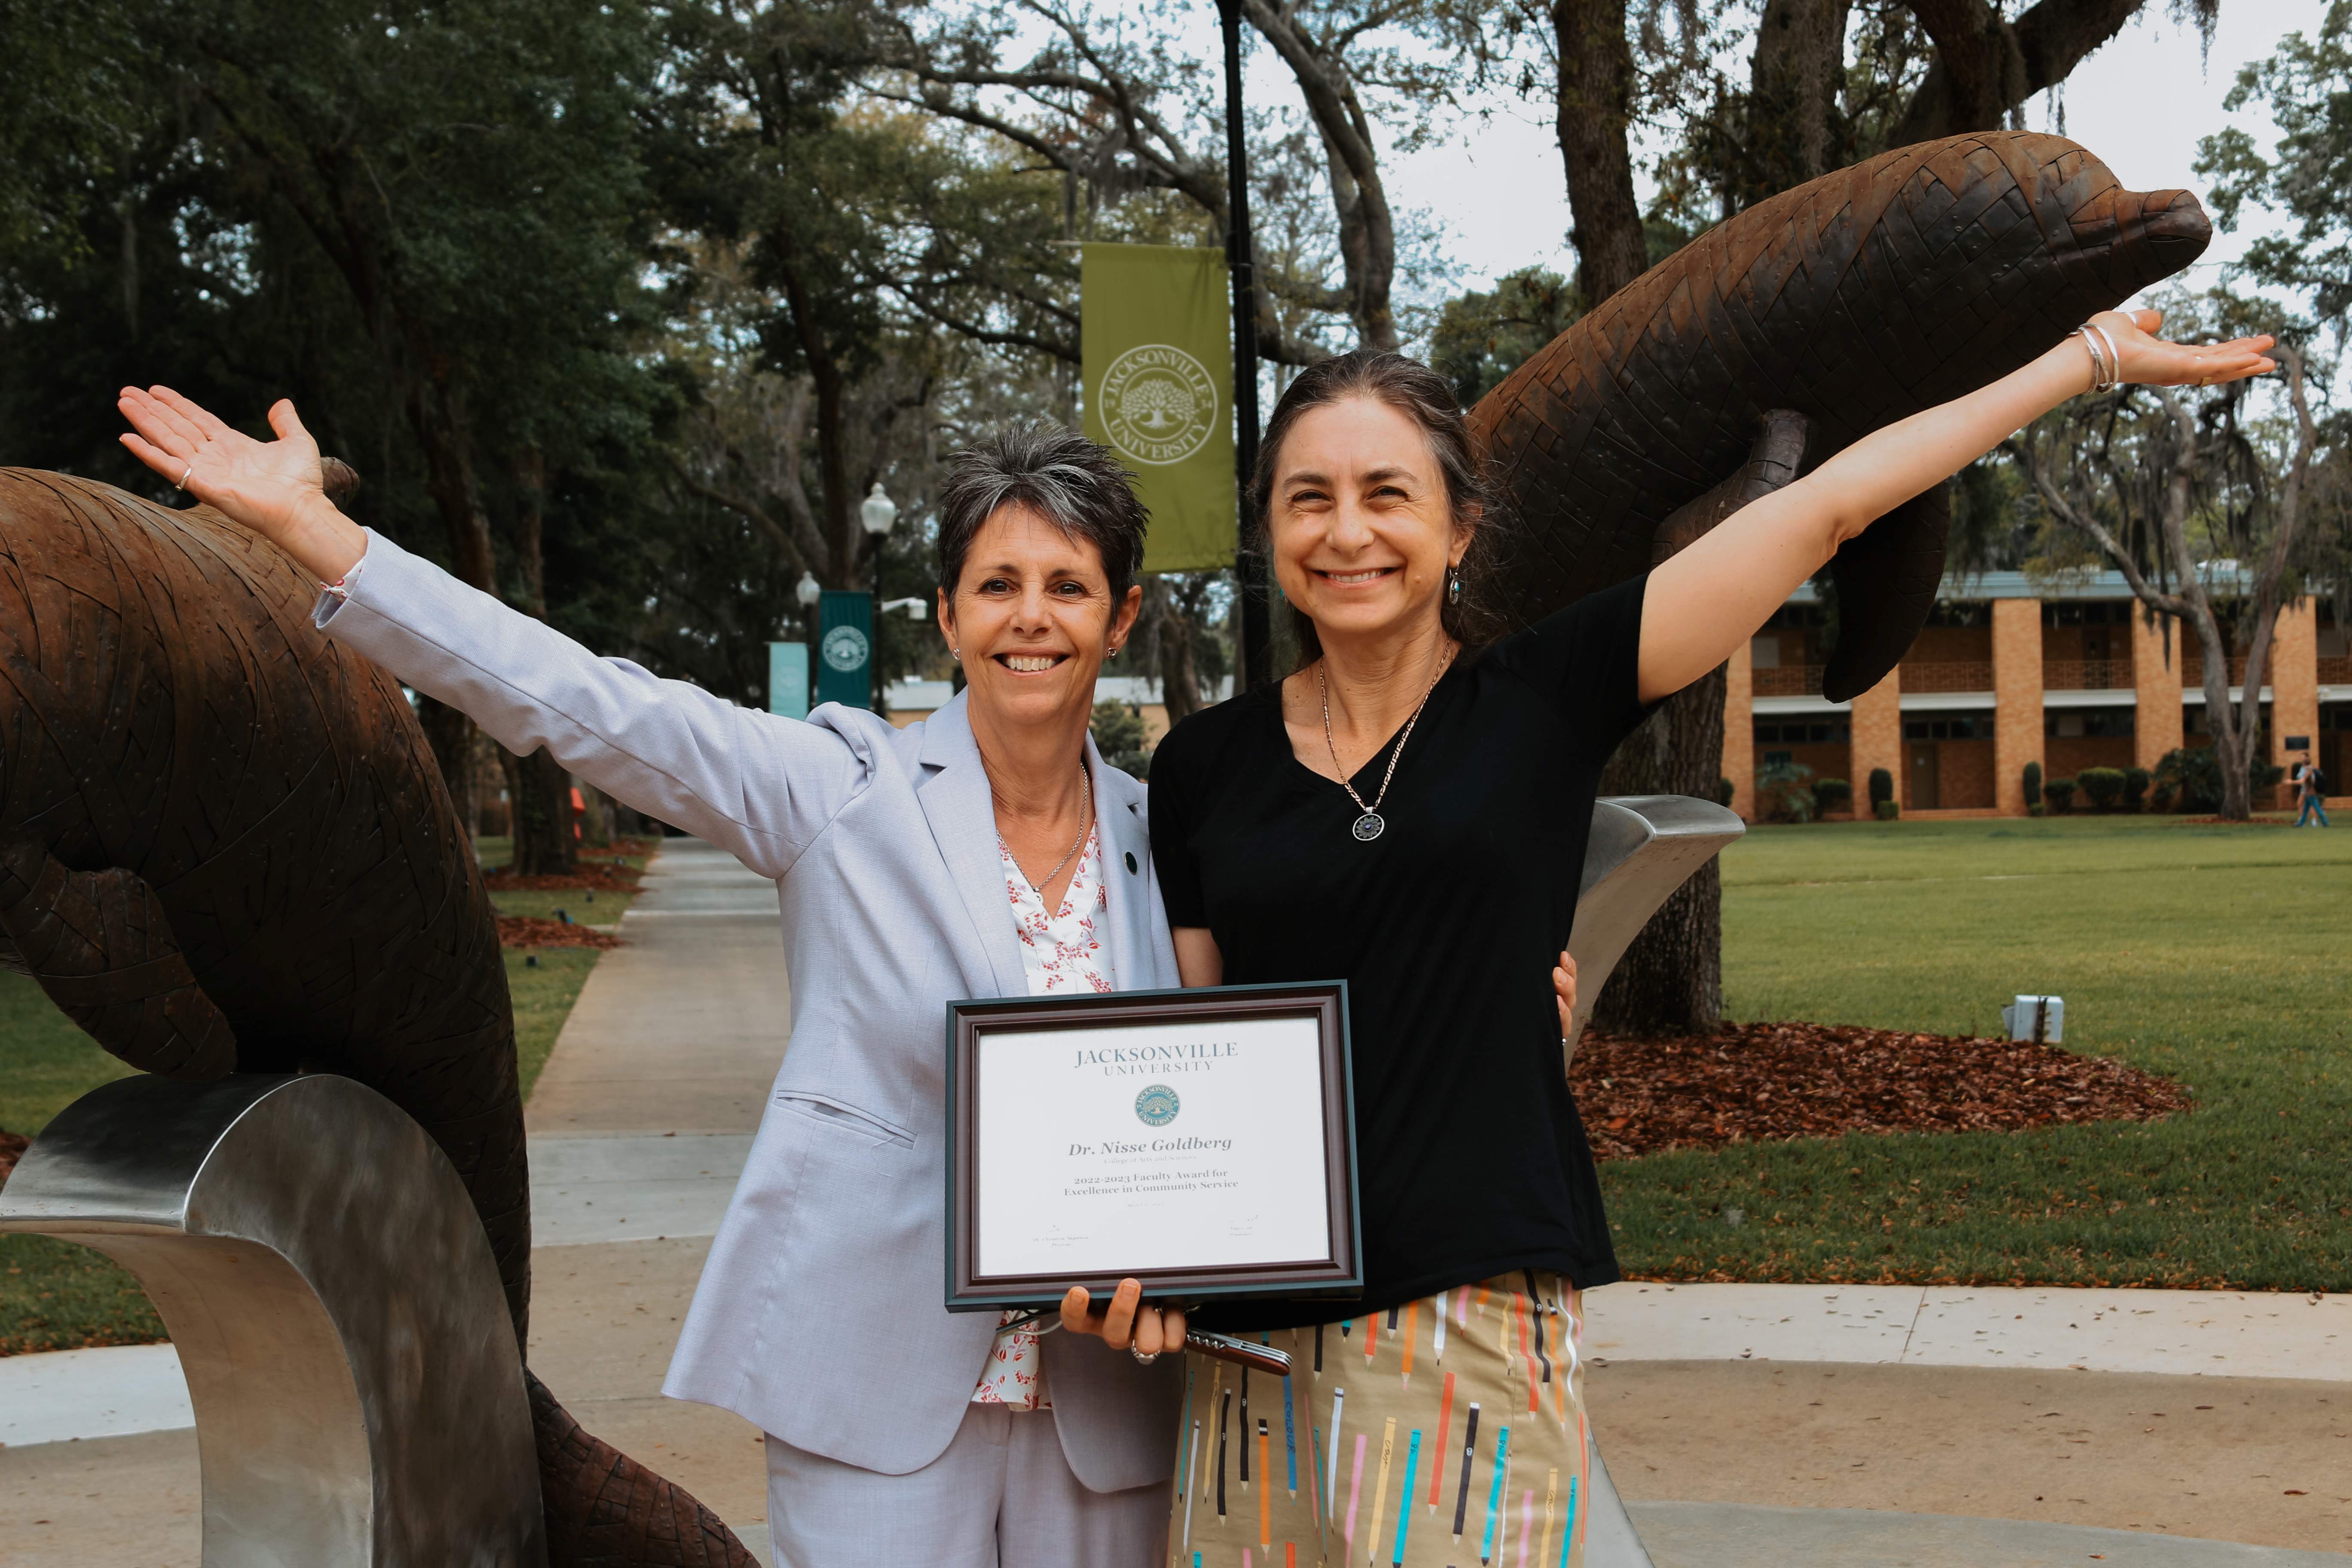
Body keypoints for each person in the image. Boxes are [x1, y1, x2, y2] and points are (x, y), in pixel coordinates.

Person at [113, 389, 1588, 1564]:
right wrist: (326, 542)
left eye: (1069, 585)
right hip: (881, 1378)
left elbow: (1282, 1040)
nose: (1032, 616)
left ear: (1120, 618)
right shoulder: (837, 785)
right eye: (996, 583)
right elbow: (587, 701)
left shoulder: (1177, 831)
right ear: (942, 615)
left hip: (1110, 1393)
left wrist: (1512, 992)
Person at [1086, 309, 2275, 1568]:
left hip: (1467, 1308)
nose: (1348, 531)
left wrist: (2083, 360)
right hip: (1251, 1347)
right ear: (1271, 525)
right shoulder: (1205, 764)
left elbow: (1824, 510)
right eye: (1309, 497)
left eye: (1389, 493)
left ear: (1460, 525)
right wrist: (1147, 1254)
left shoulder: (1547, 694)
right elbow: (1201, 1045)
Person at [2296, 751, 2330, 827]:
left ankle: (2325, 822)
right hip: (2308, 793)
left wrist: (2290, 782)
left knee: (2317, 808)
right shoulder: (2308, 770)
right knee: (2305, 810)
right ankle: (2301, 823)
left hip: (2311, 793)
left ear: (2304, 763)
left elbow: (2303, 781)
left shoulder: (2309, 771)